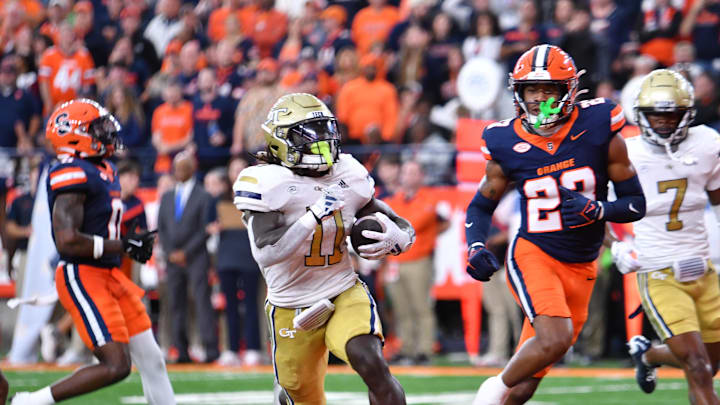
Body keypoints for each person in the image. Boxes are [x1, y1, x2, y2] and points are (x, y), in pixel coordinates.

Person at [464, 44, 646, 405]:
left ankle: (502, 394)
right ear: (518, 92)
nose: (538, 99)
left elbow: (635, 204)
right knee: (554, 339)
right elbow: (481, 205)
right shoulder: (505, 140)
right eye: (532, 89)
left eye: (549, 90)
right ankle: (490, 392)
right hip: (535, 253)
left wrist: (597, 210)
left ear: (570, 91)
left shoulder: (598, 127)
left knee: (526, 387)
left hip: (583, 264)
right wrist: (476, 244)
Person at [233, 93, 412, 405]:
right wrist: (312, 216)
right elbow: (267, 252)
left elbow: (397, 222)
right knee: (299, 396)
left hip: (341, 289)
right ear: (280, 142)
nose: (322, 142)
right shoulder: (267, 182)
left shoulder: (348, 171)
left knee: (371, 362)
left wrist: (397, 237)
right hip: (291, 305)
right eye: (310, 135)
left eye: (325, 132)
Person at [11, 99, 175, 404]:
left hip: (109, 273)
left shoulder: (105, 169)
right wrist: (124, 245)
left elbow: (101, 228)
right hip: (82, 273)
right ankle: (32, 401)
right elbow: (68, 241)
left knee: (152, 358)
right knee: (117, 365)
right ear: (74, 134)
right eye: (98, 128)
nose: (107, 133)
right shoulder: (70, 172)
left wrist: (126, 243)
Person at [611, 69, 720, 405]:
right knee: (698, 366)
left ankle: (649, 355)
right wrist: (615, 244)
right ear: (640, 116)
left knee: (711, 364)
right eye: (654, 114)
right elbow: (591, 208)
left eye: (670, 113)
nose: (662, 121)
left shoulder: (707, 143)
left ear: (686, 113)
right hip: (658, 272)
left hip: (703, 269)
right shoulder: (625, 152)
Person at [157, 151, 219, 364]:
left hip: (196, 257)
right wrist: (169, 252)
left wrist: (185, 252)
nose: (178, 171)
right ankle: (181, 350)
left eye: (183, 167)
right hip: (172, 259)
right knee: (176, 304)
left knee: (202, 302)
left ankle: (211, 349)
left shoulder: (204, 196)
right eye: (176, 168)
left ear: (192, 169)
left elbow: (205, 228)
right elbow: (162, 229)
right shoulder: (166, 197)